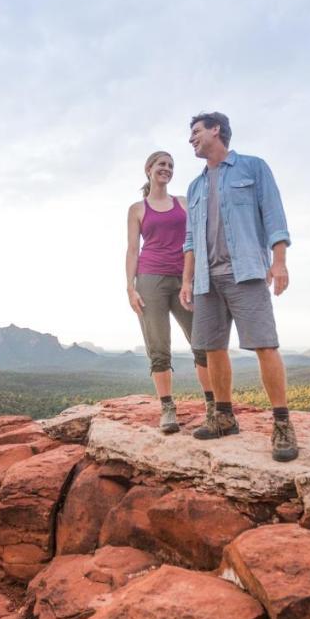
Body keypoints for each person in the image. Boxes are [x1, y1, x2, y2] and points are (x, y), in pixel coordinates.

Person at [179, 112, 298, 462]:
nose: (191, 139)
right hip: (206, 278)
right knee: (213, 347)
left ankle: (282, 424)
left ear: (216, 130)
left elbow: (274, 217)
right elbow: (189, 241)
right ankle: (224, 417)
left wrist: (279, 262)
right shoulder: (195, 186)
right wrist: (187, 280)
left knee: (264, 344)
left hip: (245, 271)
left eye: (196, 132)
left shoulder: (253, 168)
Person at [126, 150, 214, 433]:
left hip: (185, 277)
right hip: (150, 279)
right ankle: (167, 409)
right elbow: (132, 250)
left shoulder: (184, 203)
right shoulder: (137, 209)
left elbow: (201, 236)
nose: (167, 169)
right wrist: (130, 287)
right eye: (162, 164)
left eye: (171, 166)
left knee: (201, 342)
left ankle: (213, 406)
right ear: (148, 168)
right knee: (158, 347)